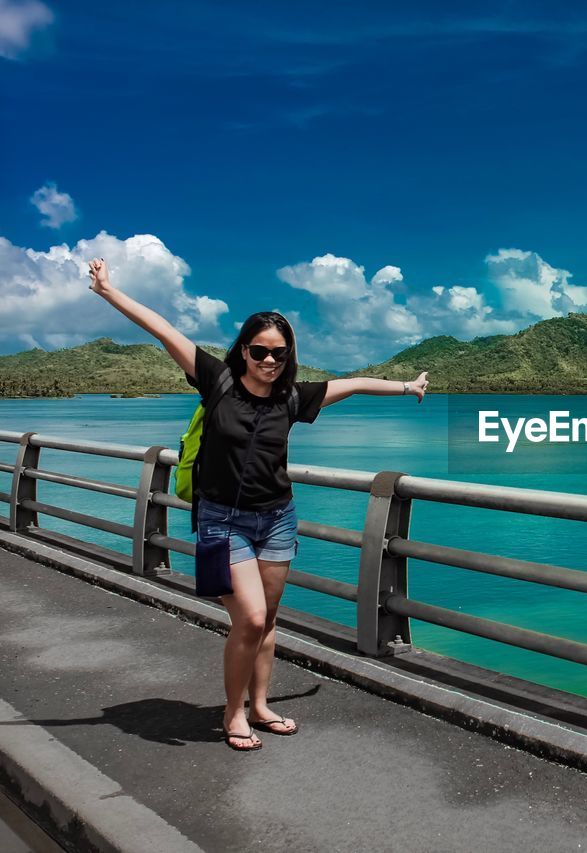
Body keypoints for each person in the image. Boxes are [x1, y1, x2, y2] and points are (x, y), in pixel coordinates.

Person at [87, 257, 429, 751]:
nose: (268, 360)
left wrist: (408, 387)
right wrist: (107, 292)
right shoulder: (216, 381)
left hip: (276, 521)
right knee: (247, 619)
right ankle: (232, 713)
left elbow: (352, 383)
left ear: (288, 356)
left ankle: (261, 705)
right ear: (243, 350)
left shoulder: (291, 398)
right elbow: (162, 329)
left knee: (267, 619)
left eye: (279, 353)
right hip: (219, 521)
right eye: (259, 350)